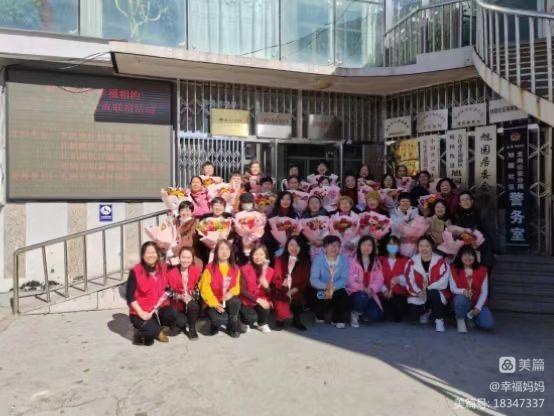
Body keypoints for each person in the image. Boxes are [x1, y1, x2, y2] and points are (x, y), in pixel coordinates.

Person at [126, 242, 176, 346]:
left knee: (173, 315)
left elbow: (176, 262)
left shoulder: (162, 267)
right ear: (142, 255)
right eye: (147, 253)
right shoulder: (136, 271)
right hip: (140, 312)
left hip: (155, 309)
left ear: (158, 254)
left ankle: (154, 327)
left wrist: (171, 247)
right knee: (149, 340)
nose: (151, 255)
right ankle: (145, 331)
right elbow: (130, 297)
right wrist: (141, 313)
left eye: (153, 252)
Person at [405, 236, 451, 332]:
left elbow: (444, 281)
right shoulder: (412, 262)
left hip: (436, 293)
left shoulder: (441, 261)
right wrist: (418, 292)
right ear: (418, 247)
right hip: (419, 294)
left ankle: (439, 320)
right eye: (421, 246)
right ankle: (426, 311)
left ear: (432, 247)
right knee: (413, 315)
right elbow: (409, 280)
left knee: (433, 293)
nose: (424, 248)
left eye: (427, 246)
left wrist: (428, 288)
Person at [199, 240, 242, 338]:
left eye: (227, 249)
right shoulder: (210, 268)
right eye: (221, 249)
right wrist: (214, 303)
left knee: (235, 302)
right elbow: (204, 288)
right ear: (216, 252)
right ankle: (214, 324)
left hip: (227, 299)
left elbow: (237, 286)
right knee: (218, 320)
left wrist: (231, 293)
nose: (224, 252)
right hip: (213, 301)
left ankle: (232, 326)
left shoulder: (235, 268)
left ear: (230, 252)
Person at [450, 246, 494, 332]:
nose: (468, 257)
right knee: (460, 299)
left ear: (474, 256)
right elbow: (453, 288)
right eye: (465, 255)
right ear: (460, 256)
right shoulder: (454, 269)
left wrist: (478, 307)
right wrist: (463, 291)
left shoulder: (482, 270)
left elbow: (484, 292)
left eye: (471, 255)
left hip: (477, 301)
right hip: (462, 300)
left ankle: (470, 317)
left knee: (488, 324)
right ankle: (460, 319)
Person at [309, 235, 350, 328]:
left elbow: (344, 279)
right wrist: (325, 286)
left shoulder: (343, 260)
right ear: (325, 247)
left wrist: (333, 288)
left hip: (336, 289)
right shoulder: (318, 259)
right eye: (331, 245)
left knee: (343, 295)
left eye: (337, 245)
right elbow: (313, 279)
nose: (334, 248)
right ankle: (319, 315)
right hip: (322, 289)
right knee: (318, 296)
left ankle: (338, 319)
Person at [272, 236, 310, 331]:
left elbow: (304, 280)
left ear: (301, 247)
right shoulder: (279, 259)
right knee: (281, 300)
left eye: (297, 245)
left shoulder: (304, 262)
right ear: (287, 246)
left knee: (298, 300)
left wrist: (294, 290)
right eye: (291, 245)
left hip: (296, 290)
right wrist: (283, 284)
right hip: (281, 290)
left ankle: (296, 320)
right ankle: (280, 317)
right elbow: (276, 278)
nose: (294, 248)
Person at [347, 236, 384, 327]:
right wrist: (362, 288)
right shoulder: (352, 260)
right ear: (359, 246)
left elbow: (380, 279)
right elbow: (349, 280)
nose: (366, 247)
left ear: (373, 248)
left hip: (369, 293)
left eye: (369, 245)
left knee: (376, 314)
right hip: (354, 293)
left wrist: (371, 288)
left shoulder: (376, 262)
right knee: (362, 297)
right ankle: (355, 313)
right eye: (364, 245)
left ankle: (361, 312)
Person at [167, 247, 202, 340]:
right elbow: (167, 291)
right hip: (176, 304)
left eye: (188, 257)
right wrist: (179, 296)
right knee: (175, 329)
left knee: (193, 305)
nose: (185, 260)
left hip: (190, 302)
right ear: (179, 258)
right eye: (183, 257)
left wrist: (191, 296)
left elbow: (199, 289)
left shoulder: (196, 271)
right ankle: (182, 322)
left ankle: (192, 329)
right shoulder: (171, 272)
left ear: (192, 259)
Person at [453, 191, 494, 269]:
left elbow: (488, 230)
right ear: (459, 203)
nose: (465, 201)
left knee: (484, 264)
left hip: (482, 244)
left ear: (472, 201)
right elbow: (456, 233)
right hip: (464, 244)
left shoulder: (481, 213)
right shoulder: (457, 215)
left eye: (467, 199)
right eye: (462, 200)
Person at [239, 244, 274, 333]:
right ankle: (243, 322)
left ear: (266, 256)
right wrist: (257, 300)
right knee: (250, 317)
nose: (258, 257)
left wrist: (267, 287)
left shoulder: (270, 271)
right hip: (246, 300)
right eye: (255, 254)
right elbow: (242, 290)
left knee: (266, 306)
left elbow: (271, 292)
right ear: (251, 255)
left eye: (261, 254)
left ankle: (262, 324)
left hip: (261, 298)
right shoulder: (244, 269)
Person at [379, 236, 409, 322]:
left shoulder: (405, 260)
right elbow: (377, 278)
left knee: (397, 316)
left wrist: (400, 279)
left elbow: (410, 278)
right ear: (386, 246)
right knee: (382, 315)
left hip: (400, 295)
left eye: (394, 244)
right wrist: (384, 290)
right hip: (383, 294)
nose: (392, 246)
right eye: (390, 244)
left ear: (398, 246)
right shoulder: (381, 260)